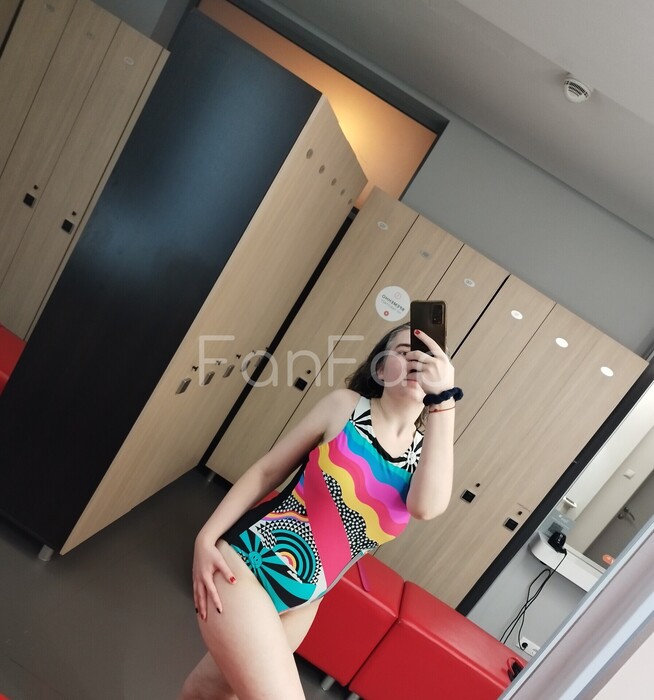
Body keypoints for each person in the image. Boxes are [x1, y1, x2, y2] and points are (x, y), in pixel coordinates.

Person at [179, 323, 458, 700]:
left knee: (208, 691)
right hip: (247, 566)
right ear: (380, 368)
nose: (415, 361)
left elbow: (426, 507)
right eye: (403, 351)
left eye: (426, 356)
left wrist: (444, 400)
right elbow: (267, 471)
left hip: (306, 601)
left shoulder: (427, 457)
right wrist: (206, 537)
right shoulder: (345, 407)